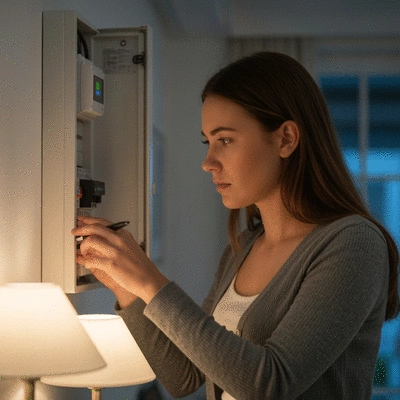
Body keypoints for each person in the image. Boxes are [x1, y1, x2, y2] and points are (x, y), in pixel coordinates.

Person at [72, 52, 399, 400]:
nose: (208, 162)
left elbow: (270, 383)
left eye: (225, 140)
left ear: (286, 139)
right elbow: (184, 376)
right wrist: (123, 283)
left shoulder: (354, 244)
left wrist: (149, 280)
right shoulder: (244, 247)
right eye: (207, 142)